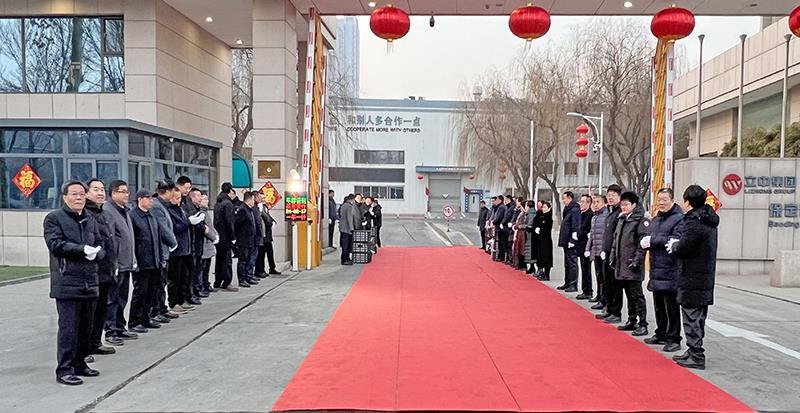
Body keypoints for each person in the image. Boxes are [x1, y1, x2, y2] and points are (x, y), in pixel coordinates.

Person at [44, 180, 104, 385]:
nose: (79, 198)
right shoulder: (54, 218)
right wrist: (81, 250)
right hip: (67, 280)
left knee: (86, 326)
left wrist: (97, 253)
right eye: (74, 194)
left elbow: (100, 242)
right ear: (65, 197)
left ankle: (80, 363)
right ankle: (65, 369)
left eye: (81, 194)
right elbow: (55, 244)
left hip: (89, 279)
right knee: (69, 328)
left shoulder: (89, 218)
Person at [668, 184, 719, 370]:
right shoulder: (708, 219)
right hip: (704, 275)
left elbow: (685, 247)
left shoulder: (694, 222)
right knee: (698, 316)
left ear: (687, 202)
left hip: (692, 275)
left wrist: (675, 246)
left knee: (691, 316)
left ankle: (696, 354)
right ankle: (693, 350)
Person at [642, 188, 684, 353]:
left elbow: (675, 240)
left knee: (671, 306)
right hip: (656, 268)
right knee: (658, 304)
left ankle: (673, 338)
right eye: (659, 199)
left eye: (664, 199)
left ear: (672, 200)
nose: (661, 203)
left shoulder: (679, 219)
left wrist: (653, 241)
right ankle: (661, 333)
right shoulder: (656, 218)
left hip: (670, 268)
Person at [84, 179, 121, 357]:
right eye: (96, 189)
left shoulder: (105, 214)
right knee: (89, 312)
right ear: (87, 193)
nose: (100, 193)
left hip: (107, 269)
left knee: (101, 310)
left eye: (102, 189)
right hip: (92, 271)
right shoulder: (85, 214)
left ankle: (96, 342)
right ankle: (84, 348)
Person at [610, 191, 650, 337]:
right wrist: (613, 257)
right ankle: (632, 319)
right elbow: (616, 240)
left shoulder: (640, 220)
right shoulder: (622, 219)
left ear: (634, 205)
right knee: (628, 294)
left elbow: (642, 244)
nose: (623, 207)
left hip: (633, 265)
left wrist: (636, 261)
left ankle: (642, 323)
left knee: (637, 295)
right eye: (622, 204)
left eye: (626, 204)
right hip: (622, 264)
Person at [104, 180, 139, 342]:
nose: (126, 195)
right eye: (122, 191)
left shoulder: (124, 210)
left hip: (127, 262)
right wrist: (114, 262)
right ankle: (111, 331)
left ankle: (119, 327)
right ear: (113, 193)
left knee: (122, 298)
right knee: (112, 299)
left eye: (127, 191)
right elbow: (110, 240)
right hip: (117, 263)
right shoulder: (108, 211)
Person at [128, 190, 162, 336]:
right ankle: (134, 321)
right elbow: (133, 241)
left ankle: (145, 318)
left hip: (154, 260)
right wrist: (135, 260)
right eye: (148, 198)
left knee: (151, 292)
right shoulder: (133, 216)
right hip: (142, 262)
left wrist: (160, 258)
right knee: (140, 292)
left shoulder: (151, 216)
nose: (151, 201)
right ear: (140, 199)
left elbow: (157, 238)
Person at [149, 180, 181, 323]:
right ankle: (156, 310)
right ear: (167, 192)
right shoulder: (157, 206)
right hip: (161, 250)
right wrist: (173, 242)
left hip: (165, 250)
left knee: (161, 282)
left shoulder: (162, 205)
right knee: (158, 284)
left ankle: (161, 308)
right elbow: (163, 228)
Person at [167, 185, 197, 316]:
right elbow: (176, 228)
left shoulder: (180, 209)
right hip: (176, 250)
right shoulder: (170, 211)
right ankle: (174, 302)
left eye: (179, 198)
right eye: (176, 198)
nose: (179, 200)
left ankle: (182, 299)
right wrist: (188, 222)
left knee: (184, 276)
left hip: (185, 248)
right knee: (175, 278)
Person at [597, 184, 624, 323]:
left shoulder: (620, 213)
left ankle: (616, 311)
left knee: (615, 284)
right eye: (609, 195)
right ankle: (609, 308)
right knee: (607, 282)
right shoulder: (610, 212)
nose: (611, 198)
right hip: (606, 252)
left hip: (615, 254)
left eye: (614, 195)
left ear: (619, 196)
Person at [585, 195, 608, 310]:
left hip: (603, 251)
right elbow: (592, 235)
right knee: (598, 275)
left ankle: (604, 300)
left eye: (598, 202)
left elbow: (607, 235)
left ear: (604, 203)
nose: (595, 204)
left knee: (604, 277)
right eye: (594, 202)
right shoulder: (594, 217)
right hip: (596, 250)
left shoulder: (606, 216)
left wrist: (605, 250)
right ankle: (599, 296)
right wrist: (587, 249)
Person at [184, 186, 208, 300]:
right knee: (192, 271)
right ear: (192, 197)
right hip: (193, 244)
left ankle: (196, 291)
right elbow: (194, 223)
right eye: (198, 196)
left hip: (198, 244)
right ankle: (192, 293)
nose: (200, 198)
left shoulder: (197, 208)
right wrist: (203, 227)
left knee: (198, 268)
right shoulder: (190, 208)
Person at [213, 183, 238, 291]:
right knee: (227, 260)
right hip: (226, 236)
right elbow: (229, 222)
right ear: (230, 191)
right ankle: (227, 282)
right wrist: (233, 236)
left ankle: (218, 281)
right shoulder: (228, 204)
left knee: (219, 259)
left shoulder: (217, 203)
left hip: (218, 235)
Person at [557, 191, 581, 292]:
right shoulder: (568, 209)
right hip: (566, 240)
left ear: (570, 198)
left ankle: (573, 284)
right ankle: (567, 282)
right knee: (567, 263)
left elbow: (575, 225)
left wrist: (573, 239)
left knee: (572, 262)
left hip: (571, 241)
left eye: (564, 198)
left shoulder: (575, 210)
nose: (563, 201)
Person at [234, 191, 258, 287]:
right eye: (253, 200)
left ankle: (248, 276)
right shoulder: (242, 210)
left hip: (250, 240)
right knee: (243, 260)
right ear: (249, 199)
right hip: (243, 240)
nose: (254, 202)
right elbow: (237, 225)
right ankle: (242, 279)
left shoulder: (249, 210)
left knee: (248, 260)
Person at [199, 193, 218, 293]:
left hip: (209, 245)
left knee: (207, 267)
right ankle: (202, 286)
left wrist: (216, 235)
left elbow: (211, 226)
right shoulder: (201, 213)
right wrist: (213, 237)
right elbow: (205, 229)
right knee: (202, 268)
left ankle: (206, 284)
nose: (207, 201)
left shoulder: (206, 212)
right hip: (205, 245)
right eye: (204, 199)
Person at [576, 194, 594, 300]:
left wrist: (579, 234)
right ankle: (585, 290)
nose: (581, 204)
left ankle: (588, 290)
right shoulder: (582, 214)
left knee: (586, 269)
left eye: (583, 202)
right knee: (584, 268)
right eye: (581, 201)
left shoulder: (590, 215)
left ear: (588, 203)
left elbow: (585, 230)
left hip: (586, 245)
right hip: (581, 245)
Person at [533, 201, 554, 281]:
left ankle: (547, 274)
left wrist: (541, 230)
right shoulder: (541, 215)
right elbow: (536, 223)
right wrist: (536, 228)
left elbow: (547, 229)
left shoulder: (549, 217)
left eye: (545, 207)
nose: (543, 209)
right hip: (540, 239)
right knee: (540, 256)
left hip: (546, 240)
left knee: (546, 257)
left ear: (549, 208)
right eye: (543, 207)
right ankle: (541, 272)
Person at [338, 194, 359, 265]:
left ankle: (344, 258)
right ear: (352, 199)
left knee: (344, 244)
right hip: (347, 228)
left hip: (342, 228)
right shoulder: (349, 206)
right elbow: (349, 218)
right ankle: (345, 260)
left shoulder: (343, 205)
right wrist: (351, 228)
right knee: (346, 245)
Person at [523, 201, 539, 274]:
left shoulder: (531, 214)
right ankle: (531, 266)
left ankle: (532, 266)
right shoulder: (531, 213)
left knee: (530, 250)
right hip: (530, 234)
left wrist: (522, 226)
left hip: (530, 234)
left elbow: (529, 224)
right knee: (529, 250)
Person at [512, 198, 527, 269]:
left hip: (521, 234)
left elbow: (520, 224)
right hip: (518, 233)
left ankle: (521, 265)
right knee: (518, 249)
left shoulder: (524, 215)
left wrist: (516, 226)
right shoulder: (520, 213)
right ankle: (517, 263)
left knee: (521, 249)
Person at [492, 195, 508, 262]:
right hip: (500, 227)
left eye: (497, 200)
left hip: (500, 227)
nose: (495, 201)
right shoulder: (499, 207)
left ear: (500, 200)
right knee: (501, 243)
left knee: (502, 243)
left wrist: (493, 222)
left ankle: (502, 257)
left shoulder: (501, 207)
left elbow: (498, 217)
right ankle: (501, 256)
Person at [501, 196, 515, 264]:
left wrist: (502, 223)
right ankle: (507, 258)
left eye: (506, 199)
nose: (505, 201)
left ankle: (509, 259)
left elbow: (508, 216)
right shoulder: (507, 207)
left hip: (508, 228)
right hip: (505, 227)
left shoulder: (511, 207)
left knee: (508, 244)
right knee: (505, 243)